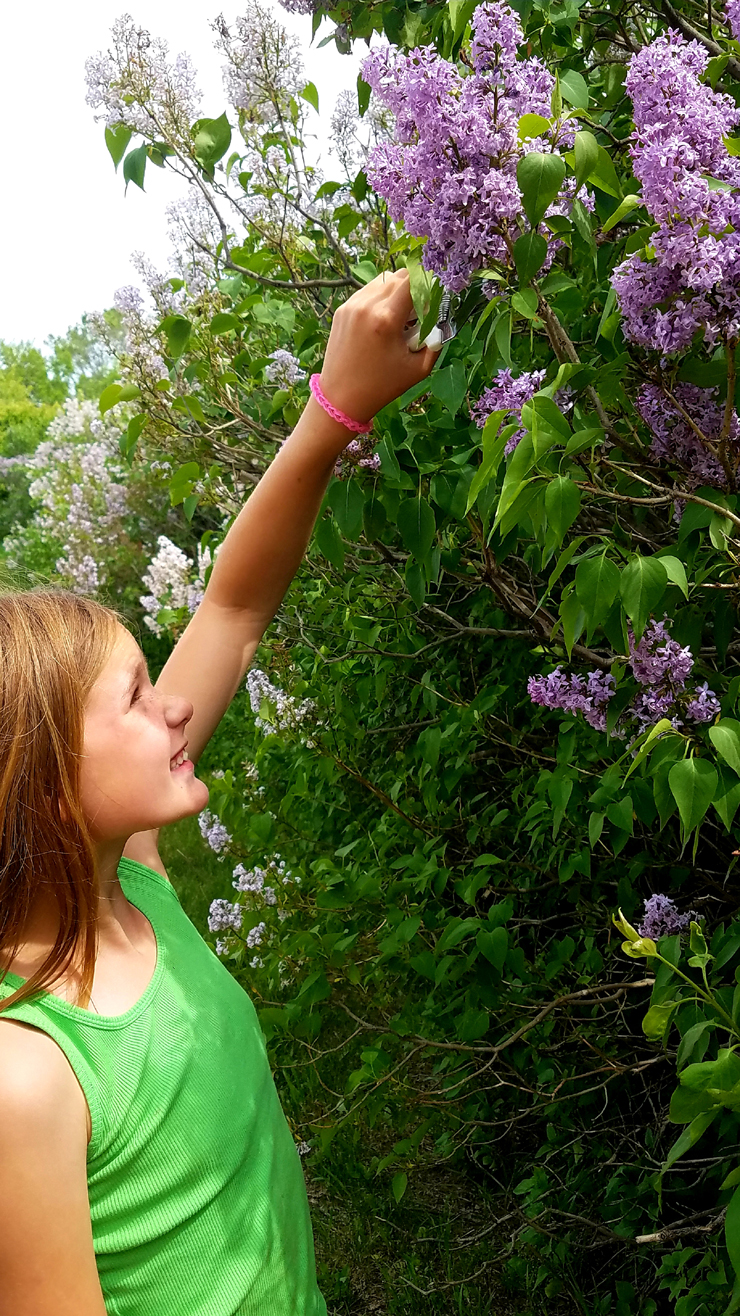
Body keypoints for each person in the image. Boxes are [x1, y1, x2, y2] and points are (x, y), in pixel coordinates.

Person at [0, 270, 439, 1316]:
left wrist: (333, 412)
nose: (176, 711)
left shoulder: (132, 886)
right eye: (140, 696)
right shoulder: (27, 1078)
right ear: (50, 784)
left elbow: (234, 607)